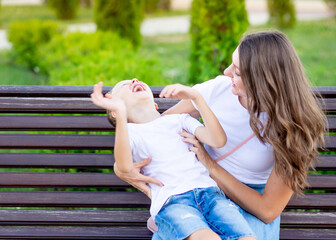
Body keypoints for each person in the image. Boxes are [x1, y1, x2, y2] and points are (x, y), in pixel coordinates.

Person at [113, 30, 327, 239]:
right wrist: (122, 168)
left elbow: (267, 210)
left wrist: (209, 164)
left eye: (237, 71)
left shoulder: (295, 128)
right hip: (194, 187)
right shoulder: (219, 89)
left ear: (262, 80)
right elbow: (159, 129)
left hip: (249, 200)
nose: (226, 72)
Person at [91, 80, 258, 240]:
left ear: (155, 105)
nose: (134, 80)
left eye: (135, 80)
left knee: (247, 237)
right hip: (173, 202)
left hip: (211, 194)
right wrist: (121, 115)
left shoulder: (179, 120)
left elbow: (217, 140)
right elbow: (125, 167)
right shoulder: (130, 132)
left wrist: (197, 97)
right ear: (116, 110)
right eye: (125, 85)